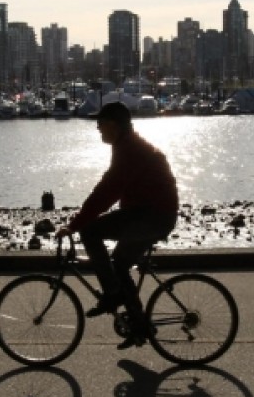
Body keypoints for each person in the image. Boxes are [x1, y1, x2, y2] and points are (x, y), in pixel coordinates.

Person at [55, 101, 179, 348]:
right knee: (120, 264)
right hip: (149, 214)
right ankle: (139, 325)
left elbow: (107, 192)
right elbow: (112, 188)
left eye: (100, 125)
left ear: (114, 125)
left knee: (91, 232)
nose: (98, 129)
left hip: (153, 217)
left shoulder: (130, 150)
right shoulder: (126, 146)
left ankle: (112, 295)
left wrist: (76, 224)